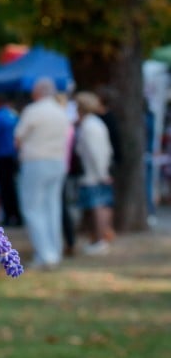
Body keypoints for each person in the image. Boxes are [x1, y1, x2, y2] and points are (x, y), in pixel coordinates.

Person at [14, 77, 70, 269]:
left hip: (36, 162)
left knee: (33, 208)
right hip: (58, 162)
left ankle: (45, 254)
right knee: (52, 207)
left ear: (37, 92)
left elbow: (19, 137)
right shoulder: (60, 111)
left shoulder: (33, 111)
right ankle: (54, 250)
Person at [75, 91, 114, 255]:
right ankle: (98, 238)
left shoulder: (90, 126)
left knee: (97, 207)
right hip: (96, 173)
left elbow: (96, 152)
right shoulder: (93, 124)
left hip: (94, 174)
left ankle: (99, 239)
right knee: (99, 206)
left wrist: (101, 173)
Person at [0, 93, 22, 225]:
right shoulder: (12, 114)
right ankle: (17, 215)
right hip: (13, 155)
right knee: (13, 186)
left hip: (1, 156)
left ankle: (9, 216)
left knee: (4, 187)